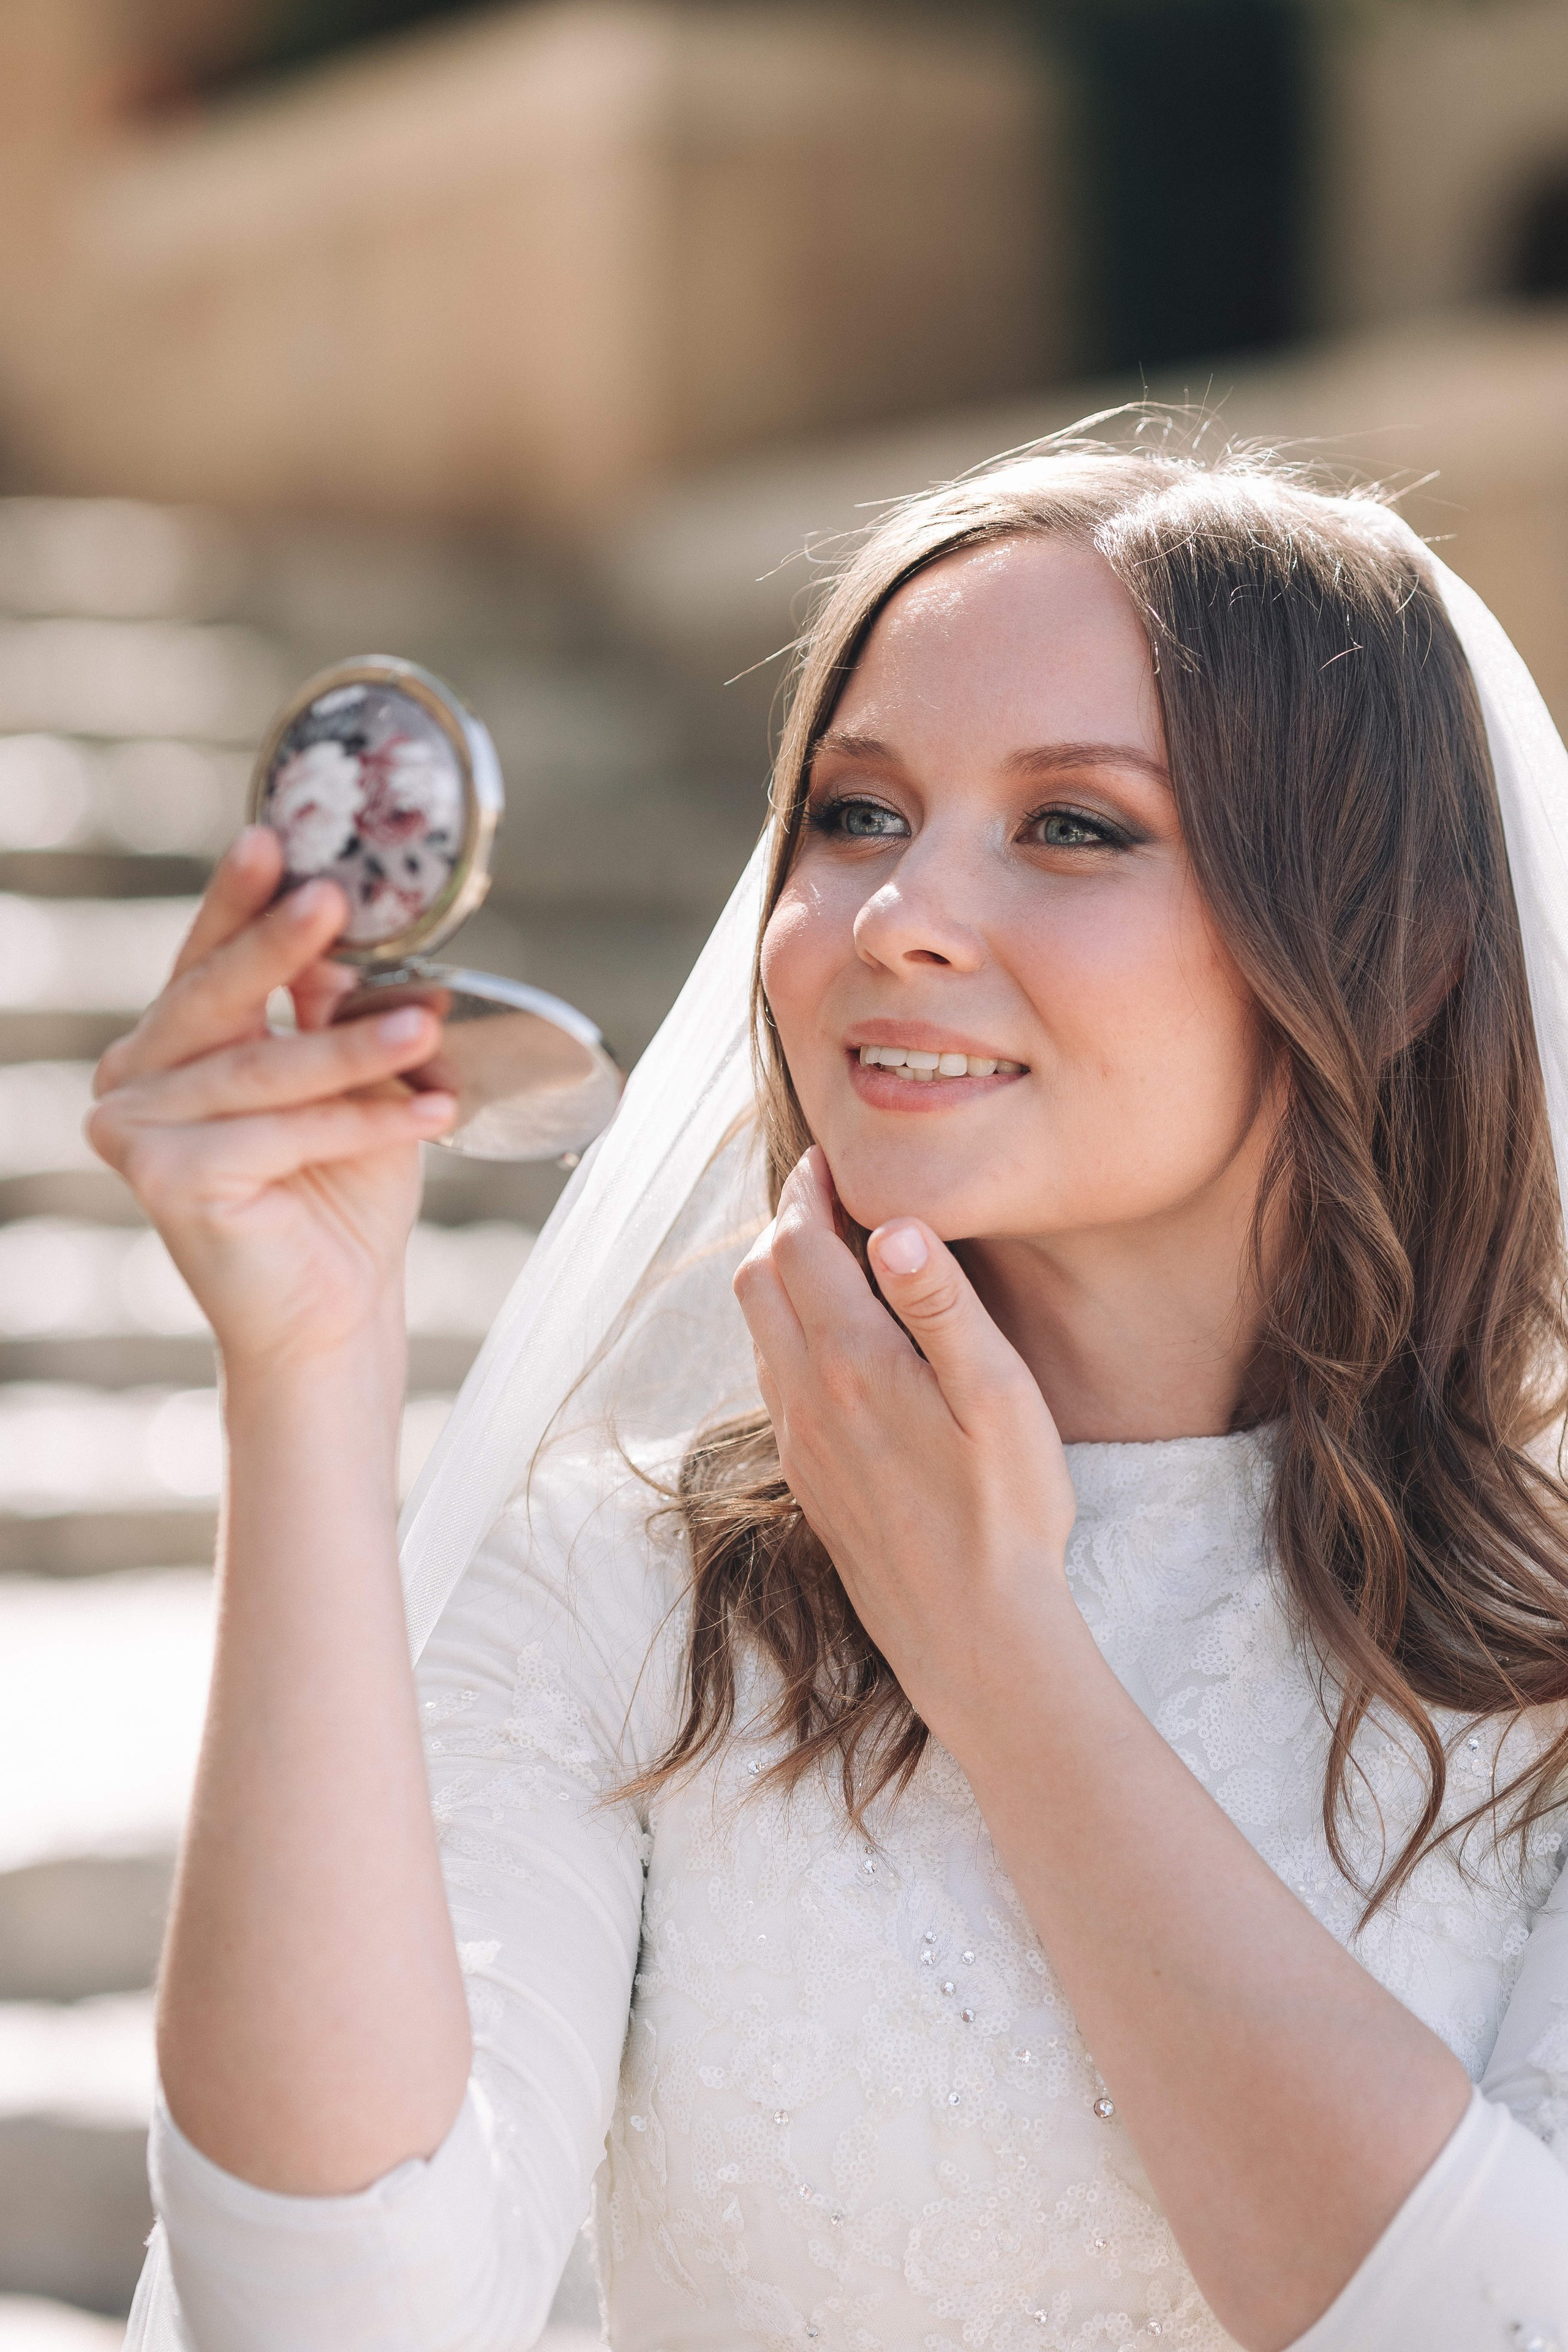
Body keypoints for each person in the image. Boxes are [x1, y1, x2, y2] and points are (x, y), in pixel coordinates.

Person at [101, 442, 1568, 2352]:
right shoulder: (614, 1595)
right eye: (857, 813)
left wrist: (998, 1650)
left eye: (1077, 828)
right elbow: (327, 2324)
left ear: (1395, 946)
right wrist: (303, 1374)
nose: (895, 922)